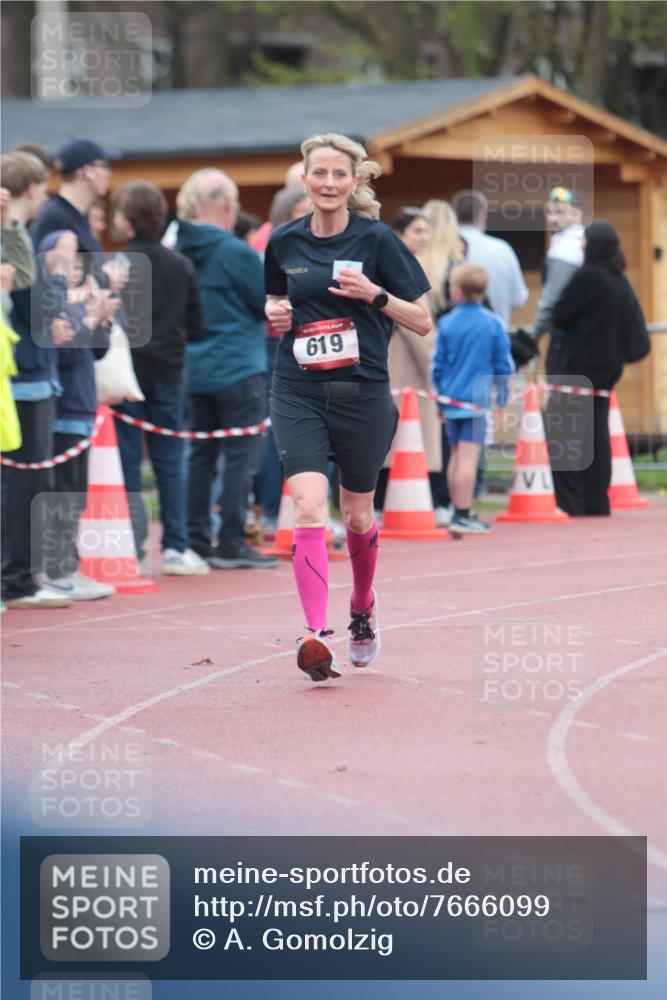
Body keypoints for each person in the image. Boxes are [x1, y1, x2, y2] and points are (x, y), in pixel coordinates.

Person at [265, 132, 431, 682]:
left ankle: (362, 605)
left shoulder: (378, 240)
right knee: (309, 505)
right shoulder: (283, 242)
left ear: (354, 181)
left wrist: (374, 295)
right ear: (304, 179)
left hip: (362, 393)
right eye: (320, 173)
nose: (329, 183)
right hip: (298, 388)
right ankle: (315, 634)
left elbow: (422, 320)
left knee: (357, 515)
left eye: (339, 174)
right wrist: (275, 315)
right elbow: (275, 302)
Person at [176, 169, 279, 569]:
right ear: (230, 205)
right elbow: (263, 302)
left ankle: (197, 538)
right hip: (238, 366)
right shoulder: (237, 252)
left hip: (195, 368)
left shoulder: (180, 247)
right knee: (241, 456)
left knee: (200, 456)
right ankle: (233, 541)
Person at [111, 180, 209, 575]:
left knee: (128, 460)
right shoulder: (180, 263)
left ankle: (131, 547)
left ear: (127, 220)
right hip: (168, 371)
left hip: (126, 374)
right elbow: (198, 325)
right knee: (170, 460)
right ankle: (175, 547)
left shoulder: (116, 264)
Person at [0, 152, 74, 609]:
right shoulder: (17, 238)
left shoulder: (19, 235)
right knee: (25, 481)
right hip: (24, 376)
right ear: (32, 188)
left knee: (23, 481)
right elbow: (32, 304)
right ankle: (18, 579)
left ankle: (20, 576)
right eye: (43, 186)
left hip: (24, 373)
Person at [549, 221, 650, 516]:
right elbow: (639, 338)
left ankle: (569, 501)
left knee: (566, 437)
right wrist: (615, 356)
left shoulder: (589, 278)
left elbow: (560, 313)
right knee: (597, 436)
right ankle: (596, 501)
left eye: (584, 241)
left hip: (577, 370)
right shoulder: (621, 282)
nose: (580, 245)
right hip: (606, 373)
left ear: (593, 245)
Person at [36, 230, 115, 600]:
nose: (75, 270)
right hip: (63, 411)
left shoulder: (74, 303)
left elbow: (95, 353)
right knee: (62, 495)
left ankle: (65, 567)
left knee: (73, 496)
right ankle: (58, 570)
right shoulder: (50, 306)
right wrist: (89, 320)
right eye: (67, 261)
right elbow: (63, 352)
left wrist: (101, 320)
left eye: (79, 264)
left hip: (81, 408)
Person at [431, 264, 514, 535]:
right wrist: (502, 399)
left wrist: (439, 399)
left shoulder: (447, 322)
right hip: (477, 401)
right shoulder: (493, 323)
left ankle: (456, 509)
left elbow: (438, 365)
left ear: (456, 291)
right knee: (469, 456)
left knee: (455, 454)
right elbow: (503, 365)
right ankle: (463, 513)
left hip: (451, 398)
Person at [376, 207, 446, 520]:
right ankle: (416, 505)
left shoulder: (403, 266)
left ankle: (389, 504)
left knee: (399, 438)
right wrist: (436, 370)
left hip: (403, 365)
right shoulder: (401, 268)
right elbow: (420, 328)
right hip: (404, 366)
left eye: (426, 231)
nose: (423, 237)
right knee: (405, 438)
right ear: (400, 234)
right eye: (417, 231)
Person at [452, 190, 528, 327]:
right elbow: (519, 299)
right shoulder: (503, 249)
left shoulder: (443, 250)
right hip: (496, 332)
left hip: (453, 333)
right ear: (481, 216)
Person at [534, 186, 585, 372]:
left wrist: (535, 334)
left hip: (567, 335)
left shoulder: (568, 247)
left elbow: (552, 297)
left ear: (576, 214)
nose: (552, 219)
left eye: (559, 212)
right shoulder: (573, 241)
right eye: (549, 212)